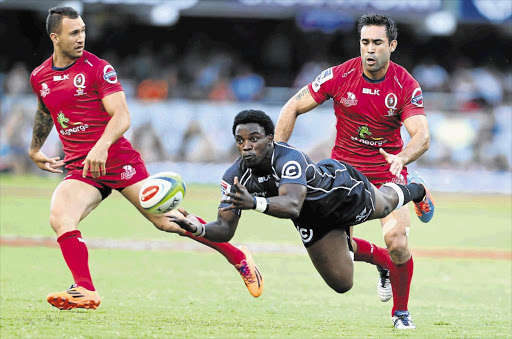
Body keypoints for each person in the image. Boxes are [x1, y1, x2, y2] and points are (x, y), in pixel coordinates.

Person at [28, 7, 263, 310]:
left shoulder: (98, 68)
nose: (82, 37)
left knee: (168, 222)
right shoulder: (40, 76)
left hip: (116, 159)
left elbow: (122, 116)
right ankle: (85, 289)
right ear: (55, 37)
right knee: (60, 217)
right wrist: (35, 148)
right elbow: (46, 110)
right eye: (74, 33)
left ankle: (238, 256)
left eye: (83, 30)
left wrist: (101, 146)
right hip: (82, 167)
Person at [169, 110, 434, 322]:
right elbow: (225, 230)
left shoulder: (289, 158)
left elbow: (292, 204)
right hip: (312, 219)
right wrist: (198, 229)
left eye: (254, 139)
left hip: (339, 193)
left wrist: (254, 202)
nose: (247, 146)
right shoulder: (234, 177)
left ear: (270, 138)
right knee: (342, 283)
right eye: (241, 141)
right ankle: (382, 260)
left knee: (385, 204)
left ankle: (417, 188)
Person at [274, 13, 434, 329]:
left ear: (392, 45)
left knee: (398, 242)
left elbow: (423, 137)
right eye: (365, 42)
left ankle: (401, 313)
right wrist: (277, 155)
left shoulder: (404, 85)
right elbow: (292, 106)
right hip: (344, 176)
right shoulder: (338, 75)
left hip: (387, 174)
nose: (370, 49)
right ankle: (383, 264)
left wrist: (401, 158)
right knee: (342, 254)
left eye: (377, 42)